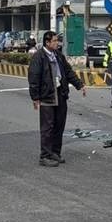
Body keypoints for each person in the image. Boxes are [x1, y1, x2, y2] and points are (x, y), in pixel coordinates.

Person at [28, 31, 86, 167]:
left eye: (57, 41)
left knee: (59, 125)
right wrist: (35, 97)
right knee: (47, 127)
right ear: (47, 43)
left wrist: (79, 84)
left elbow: (68, 71)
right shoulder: (39, 57)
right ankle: (45, 156)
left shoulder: (58, 55)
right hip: (47, 95)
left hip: (60, 93)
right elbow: (33, 78)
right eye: (54, 41)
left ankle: (55, 152)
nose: (57, 43)